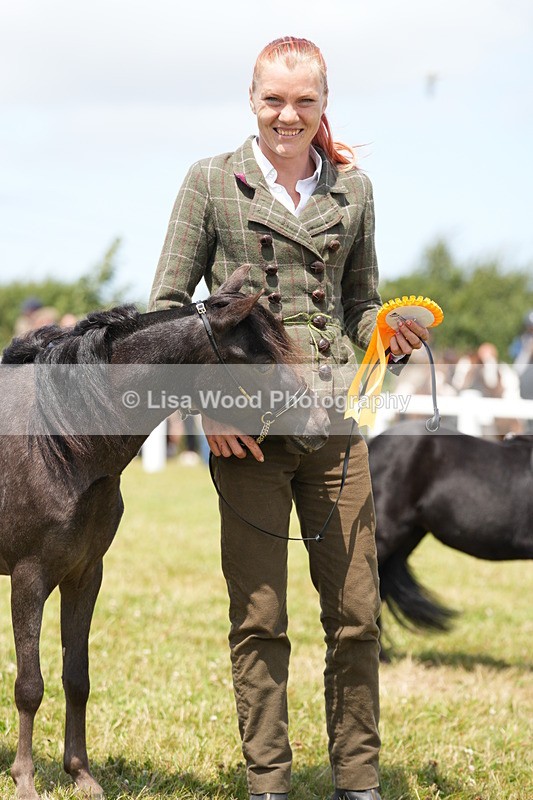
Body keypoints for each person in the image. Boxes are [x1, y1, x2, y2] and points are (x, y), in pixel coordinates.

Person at [149, 37, 428, 800]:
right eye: (275, 99)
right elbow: (165, 313)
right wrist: (204, 406)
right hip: (248, 437)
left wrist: (391, 332)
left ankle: (358, 782)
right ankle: (268, 782)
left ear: (322, 105)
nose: (288, 115)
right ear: (252, 99)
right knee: (260, 617)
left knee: (356, 615)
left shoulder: (354, 190)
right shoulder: (210, 182)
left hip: (337, 428)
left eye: (304, 101)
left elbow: (361, 300)